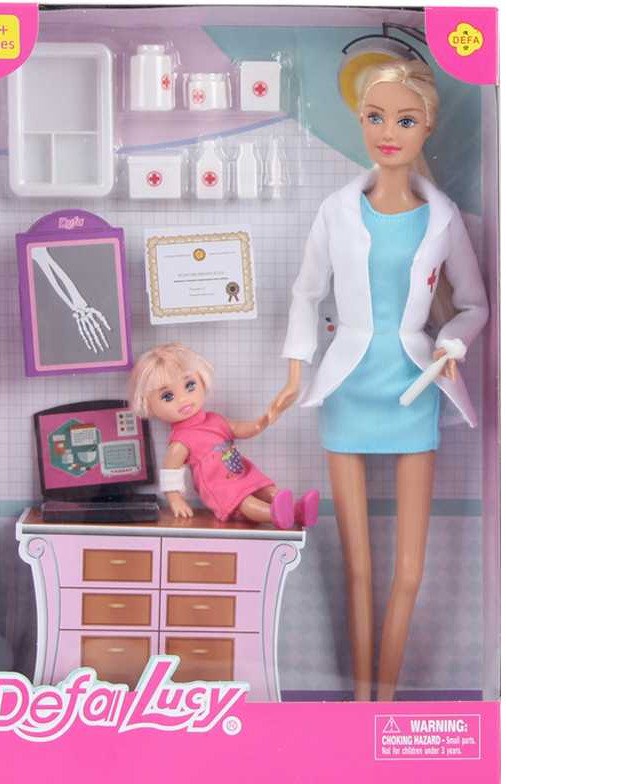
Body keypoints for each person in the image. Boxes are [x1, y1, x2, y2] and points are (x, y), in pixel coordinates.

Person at [268, 59, 488, 700]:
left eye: (405, 120)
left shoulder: (442, 218)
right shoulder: (337, 210)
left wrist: (450, 343)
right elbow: (306, 291)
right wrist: (295, 369)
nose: (388, 132)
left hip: (413, 389)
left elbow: (474, 303)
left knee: (409, 571)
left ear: (428, 128)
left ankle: (383, 704)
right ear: (360, 120)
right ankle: (361, 707)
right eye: (375, 117)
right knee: (359, 567)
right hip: (349, 387)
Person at [130, 343, 319, 529]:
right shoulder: (181, 440)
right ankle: (274, 514)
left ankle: (297, 511)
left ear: (202, 380)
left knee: (265, 488)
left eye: (189, 385)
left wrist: (260, 423)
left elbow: (237, 428)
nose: (183, 399)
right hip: (218, 485)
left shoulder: (214, 419)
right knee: (244, 501)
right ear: (148, 404)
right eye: (168, 396)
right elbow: (171, 471)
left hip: (240, 470)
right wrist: (175, 499)